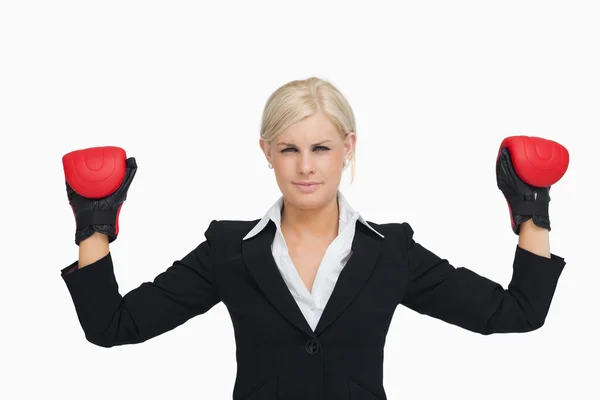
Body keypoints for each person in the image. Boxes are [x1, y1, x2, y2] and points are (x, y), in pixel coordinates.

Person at [60, 77, 567, 400]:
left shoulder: (392, 251)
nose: (305, 167)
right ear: (266, 152)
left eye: (321, 147)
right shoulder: (227, 250)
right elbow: (112, 325)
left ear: (347, 148)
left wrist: (532, 209)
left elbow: (517, 313)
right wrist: (95, 223)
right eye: (289, 149)